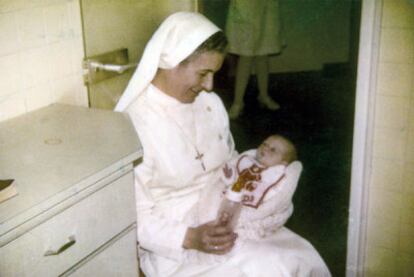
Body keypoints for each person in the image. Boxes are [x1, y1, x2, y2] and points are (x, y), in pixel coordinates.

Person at [115, 12, 331, 277]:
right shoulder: (132, 124)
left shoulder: (210, 103)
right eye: (203, 73)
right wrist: (191, 237)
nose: (209, 85)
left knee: (297, 256)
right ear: (170, 62)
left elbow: (232, 161)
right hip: (176, 239)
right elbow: (134, 215)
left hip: (233, 218)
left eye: (214, 74)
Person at [226, 0, 286, 119]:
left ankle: (263, 95)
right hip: (246, 5)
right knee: (246, 54)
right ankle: (238, 102)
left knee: (263, 52)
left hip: (266, 5)